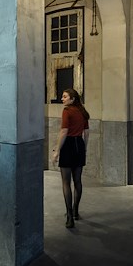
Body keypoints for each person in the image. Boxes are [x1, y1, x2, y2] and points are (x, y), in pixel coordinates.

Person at [52, 88, 90, 228]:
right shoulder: (82, 111)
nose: (62, 99)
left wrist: (57, 150)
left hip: (68, 145)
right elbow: (86, 132)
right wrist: (84, 148)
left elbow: (64, 131)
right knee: (78, 181)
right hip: (79, 144)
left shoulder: (67, 111)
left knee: (66, 182)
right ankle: (75, 211)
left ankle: (69, 217)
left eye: (65, 97)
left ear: (72, 99)